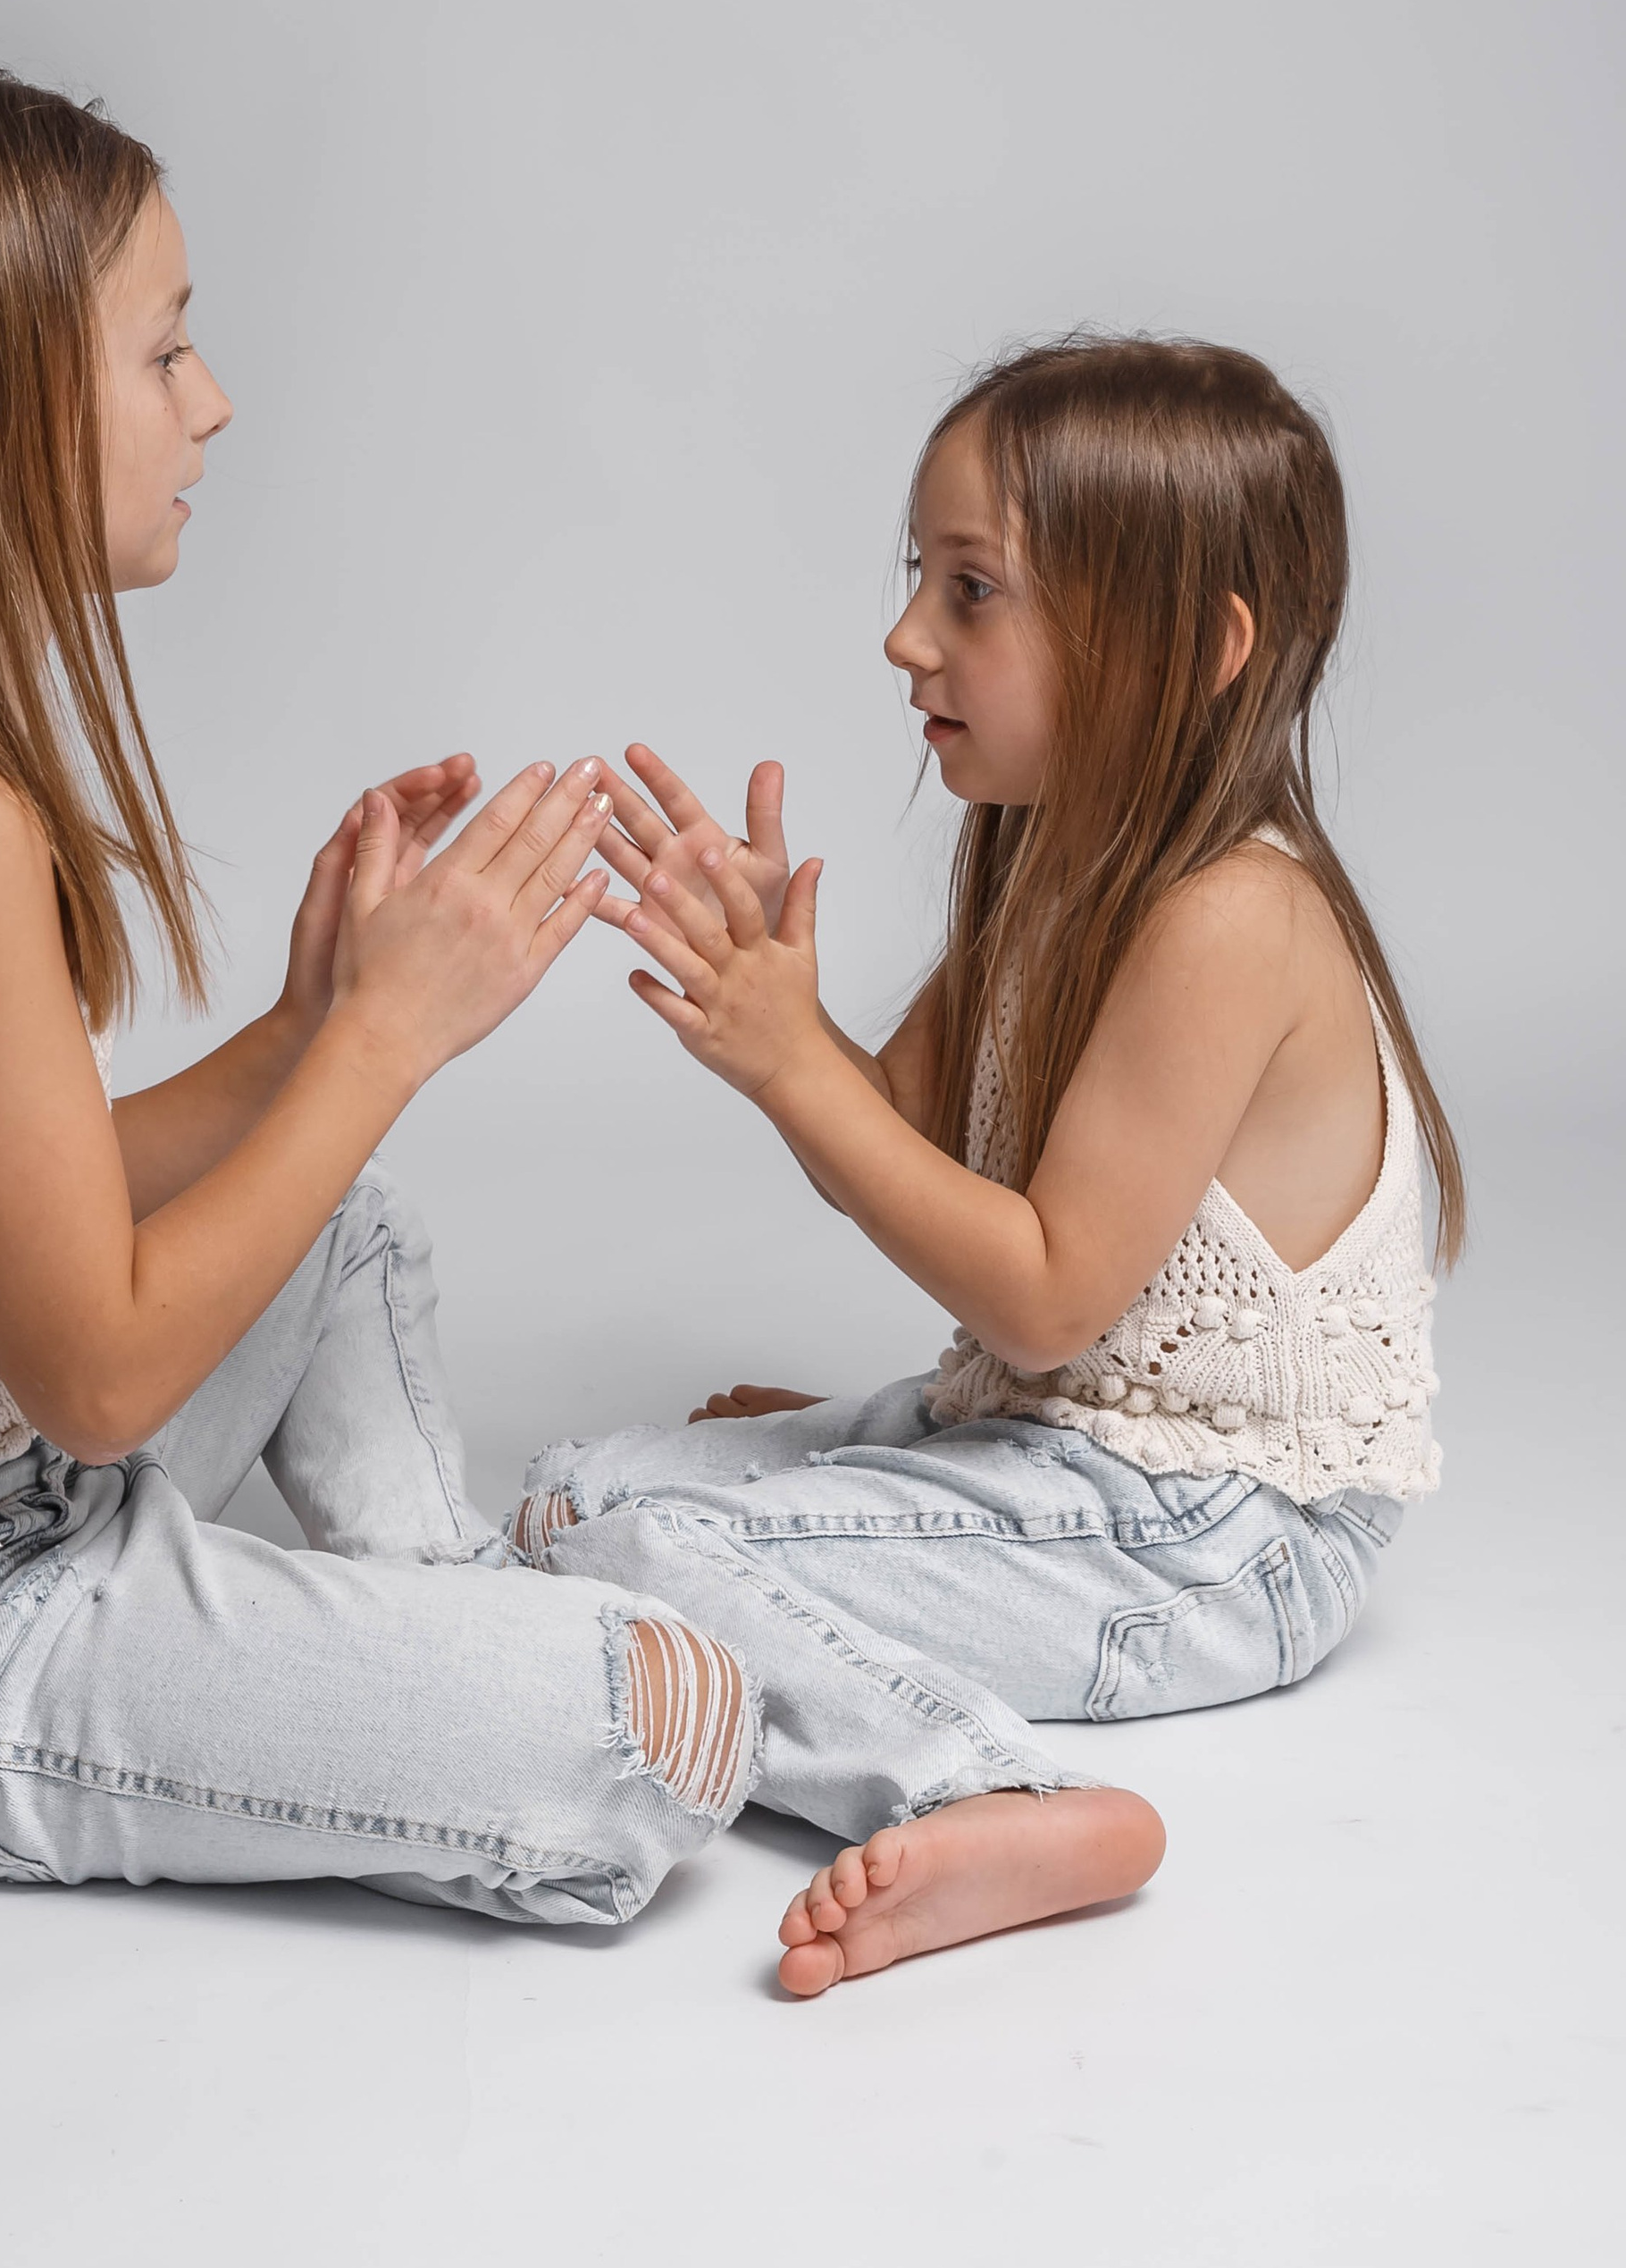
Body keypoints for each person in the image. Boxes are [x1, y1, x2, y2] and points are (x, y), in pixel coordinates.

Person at [0, 63, 752, 1924]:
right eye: (161, 355)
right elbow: (102, 1378)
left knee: (333, 1233)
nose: (211, 404)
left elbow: (8, 1198)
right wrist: (385, 1039)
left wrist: (299, 1031)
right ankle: (454, 1688)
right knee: (651, 1725)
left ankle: (422, 1629)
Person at [511, 336, 1461, 1995]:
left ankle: (1006, 1795)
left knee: (648, 1562)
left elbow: (1040, 1297)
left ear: (1197, 647)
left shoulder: (1232, 913)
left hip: (1225, 1538)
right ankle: (887, 1533)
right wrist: (783, 1027)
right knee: (577, 1497)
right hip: (1063, 1443)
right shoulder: (1033, 843)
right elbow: (890, 1143)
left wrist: (798, 1071)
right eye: (918, 580)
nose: (906, 638)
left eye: (972, 592)